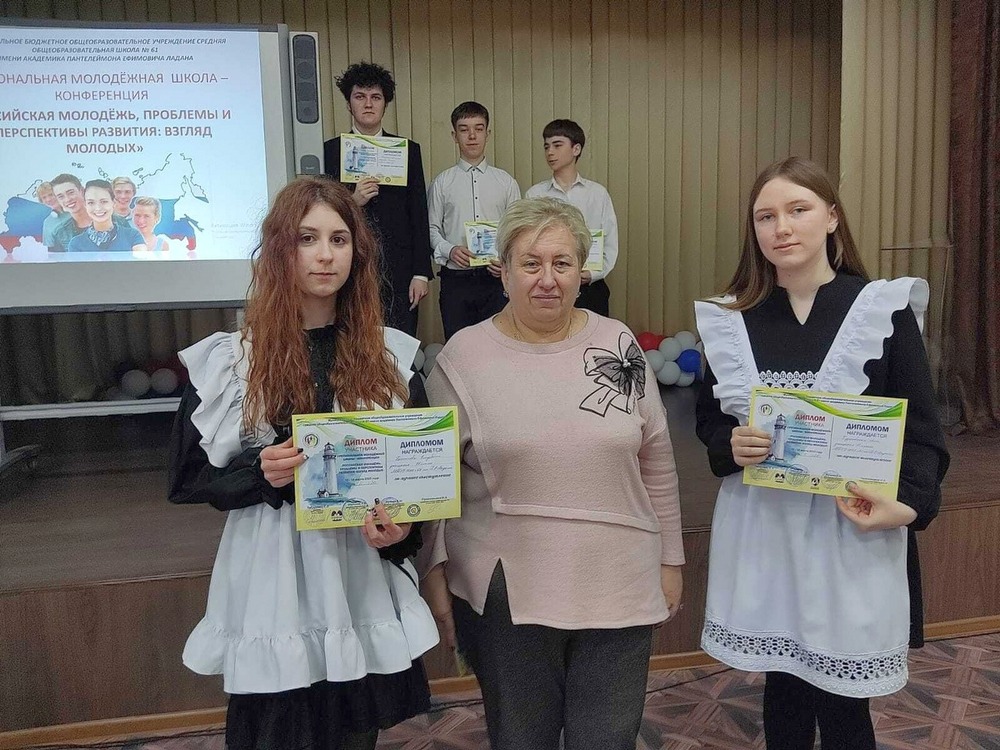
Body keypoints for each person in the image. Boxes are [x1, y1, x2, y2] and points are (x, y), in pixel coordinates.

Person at [168, 176, 438, 750]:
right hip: (272, 576)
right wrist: (259, 473)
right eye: (306, 238)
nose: (325, 255)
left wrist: (401, 531)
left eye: (339, 239)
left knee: (353, 735)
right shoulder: (234, 359)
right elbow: (188, 477)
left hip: (356, 573)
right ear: (279, 250)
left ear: (357, 253)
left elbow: (413, 480)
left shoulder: (389, 356)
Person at [694, 156, 950, 750]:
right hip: (765, 529)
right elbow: (711, 420)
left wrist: (908, 505)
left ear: (832, 216)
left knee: (843, 705)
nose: (781, 227)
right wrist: (730, 444)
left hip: (851, 530)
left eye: (798, 209)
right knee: (782, 689)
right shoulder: (732, 319)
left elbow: (922, 430)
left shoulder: (880, 308)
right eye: (765, 216)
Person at [418, 197, 684, 750]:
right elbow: (434, 476)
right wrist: (433, 568)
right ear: (503, 271)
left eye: (562, 263)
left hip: (618, 578)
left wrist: (671, 559)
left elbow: (656, 458)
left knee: (607, 740)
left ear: (581, 272)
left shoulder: (618, 343)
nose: (547, 279)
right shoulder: (463, 357)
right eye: (531, 263)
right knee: (521, 739)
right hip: (508, 592)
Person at [323, 61, 432, 336]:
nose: (368, 104)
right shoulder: (330, 152)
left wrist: (421, 273)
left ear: (385, 104)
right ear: (349, 104)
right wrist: (352, 201)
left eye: (376, 97)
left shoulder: (407, 151)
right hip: (350, 268)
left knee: (399, 346)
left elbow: (419, 213)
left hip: (399, 271)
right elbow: (320, 214)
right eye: (360, 97)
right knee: (351, 343)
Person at [427, 101, 521, 340]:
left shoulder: (506, 182)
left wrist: (506, 262)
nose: (472, 136)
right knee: (457, 345)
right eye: (464, 129)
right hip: (456, 281)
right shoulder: (442, 183)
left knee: (500, 345)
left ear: (487, 134)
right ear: (454, 136)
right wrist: (449, 250)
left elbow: (517, 231)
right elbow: (432, 228)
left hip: (496, 280)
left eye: (478, 129)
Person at [526, 119, 618, 317]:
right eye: (546, 147)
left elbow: (610, 242)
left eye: (557, 145)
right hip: (548, 286)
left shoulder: (597, 194)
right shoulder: (535, 194)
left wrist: (593, 274)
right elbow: (528, 242)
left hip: (590, 287)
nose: (550, 152)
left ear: (576, 149)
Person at [66, 180, 144, 253]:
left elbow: (142, 260)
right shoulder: (76, 244)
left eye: (104, 202)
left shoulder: (132, 236)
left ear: (113, 203)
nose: (98, 208)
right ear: (85, 205)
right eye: (91, 203)